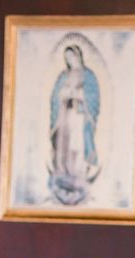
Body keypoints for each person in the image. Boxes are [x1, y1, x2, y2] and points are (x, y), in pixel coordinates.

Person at [49, 44, 101, 205]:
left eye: (72, 57)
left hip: (79, 116)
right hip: (65, 116)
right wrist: (62, 95)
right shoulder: (63, 76)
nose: (70, 60)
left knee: (77, 145)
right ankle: (63, 173)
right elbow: (55, 97)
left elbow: (93, 96)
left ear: (78, 56)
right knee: (64, 145)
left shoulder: (88, 76)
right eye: (67, 58)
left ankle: (78, 176)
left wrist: (79, 94)